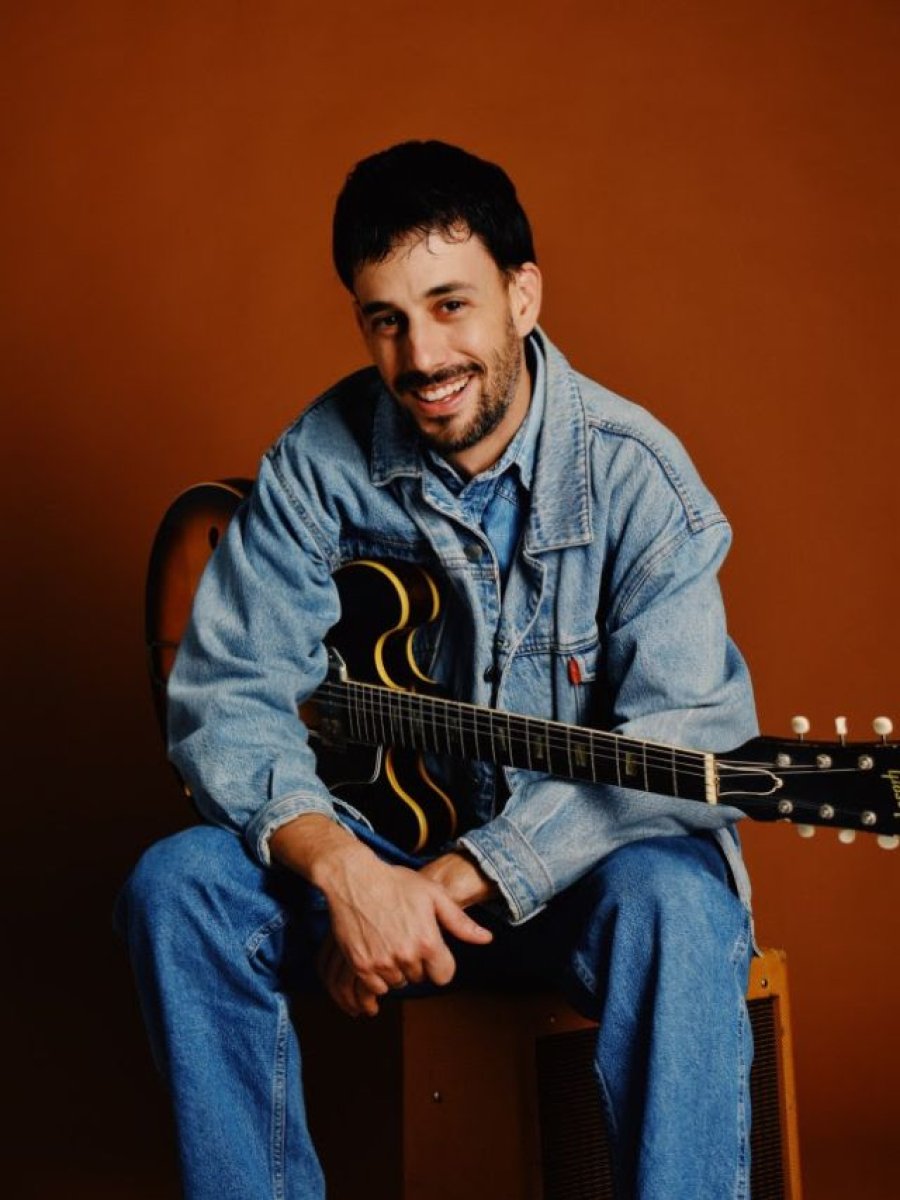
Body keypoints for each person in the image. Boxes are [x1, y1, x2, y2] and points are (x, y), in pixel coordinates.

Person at [116, 140, 759, 1199]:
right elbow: (228, 697)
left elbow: (685, 740)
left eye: (450, 305)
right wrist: (348, 873)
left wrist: (454, 878)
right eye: (386, 320)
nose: (420, 356)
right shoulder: (316, 462)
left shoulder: (639, 478)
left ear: (523, 295)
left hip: (572, 884)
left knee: (681, 905)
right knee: (176, 887)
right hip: (371, 857)